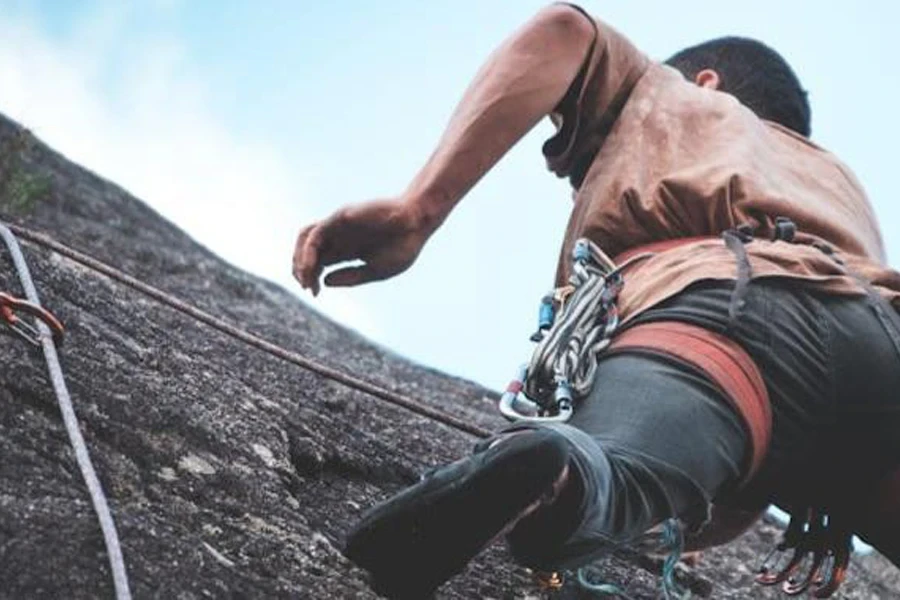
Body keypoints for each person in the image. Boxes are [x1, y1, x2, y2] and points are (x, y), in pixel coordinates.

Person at [292, 4, 900, 598]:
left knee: (605, 472)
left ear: (707, 81)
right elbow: (763, 447)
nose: (575, 175)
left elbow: (562, 31)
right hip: (879, 336)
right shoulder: (837, 182)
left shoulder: (678, 96)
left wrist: (416, 210)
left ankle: (562, 485)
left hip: (718, 314)